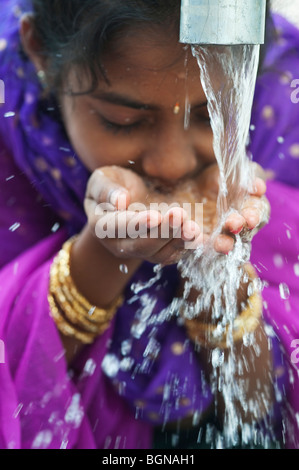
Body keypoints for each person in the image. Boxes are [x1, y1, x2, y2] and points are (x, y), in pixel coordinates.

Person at [0, 0, 297, 449]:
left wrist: (219, 268)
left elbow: (262, 409)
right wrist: (102, 252)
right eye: (125, 121)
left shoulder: (282, 108)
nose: (171, 164)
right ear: (39, 52)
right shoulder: (10, 138)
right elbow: (18, 404)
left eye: (210, 115)